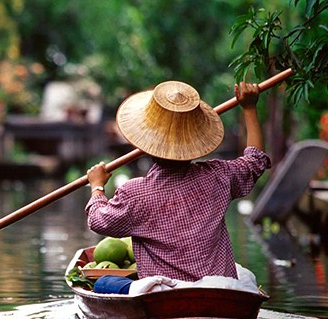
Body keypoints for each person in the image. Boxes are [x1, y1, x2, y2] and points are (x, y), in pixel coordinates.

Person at [85, 81, 270, 292]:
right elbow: (255, 161)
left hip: (166, 294)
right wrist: (249, 108)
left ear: (147, 145)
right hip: (220, 289)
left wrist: (97, 186)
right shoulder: (218, 175)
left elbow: (98, 221)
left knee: (103, 283)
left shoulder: (135, 193)